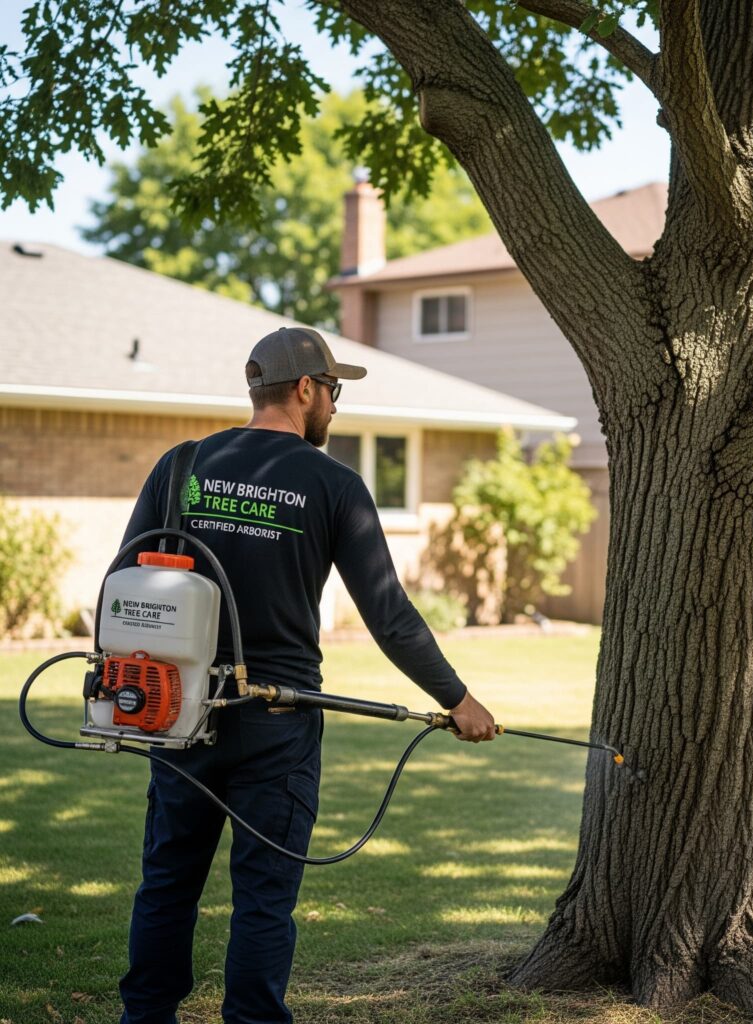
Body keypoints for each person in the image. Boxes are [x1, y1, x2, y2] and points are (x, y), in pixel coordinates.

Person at [117, 326, 496, 1024]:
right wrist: (459, 700)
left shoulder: (182, 467)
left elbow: (126, 580)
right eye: (335, 391)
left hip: (177, 714)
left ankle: (145, 1017)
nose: (337, 406)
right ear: (304, 390)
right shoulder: (333, 484)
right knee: (264, 896)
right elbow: (391, 617)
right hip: (278, 726)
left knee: (167, 884)